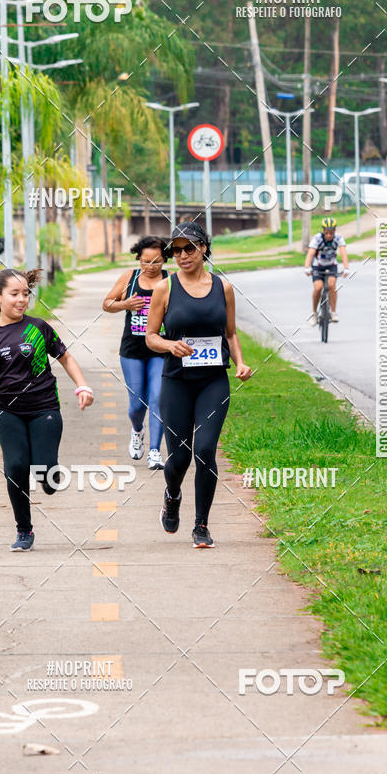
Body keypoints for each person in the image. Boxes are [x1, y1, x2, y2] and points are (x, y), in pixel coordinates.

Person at [146, 222, 252, 549]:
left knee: (205, 450)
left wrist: (240, 362)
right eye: (176, 250)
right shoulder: (165, 288)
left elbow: (230, 333)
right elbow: (151, 337)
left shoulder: (224, 288)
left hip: (213, 381)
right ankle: (172, 494)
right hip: (176, 382)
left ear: (204, 248)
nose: (182, 255)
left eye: (189, 248)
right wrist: (169, 345)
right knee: (179, 457)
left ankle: (201, 525)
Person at [0, 269, 93, 551]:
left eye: (25, 293)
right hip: (7, 411)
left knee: (44, 471)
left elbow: (65, 357)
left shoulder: (38, 327)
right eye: (14, 294)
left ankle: (49, 474)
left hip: (44, 407)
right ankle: (24, 530)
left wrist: (83, 386)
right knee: (16, 467)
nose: (22, 299)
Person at [102, 237, 169, 469]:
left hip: (160, 349)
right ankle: (137, 430)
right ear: (138, 258)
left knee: (158, 398)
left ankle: (154, 452)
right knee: (137, 405)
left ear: (164, 260)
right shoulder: (129, 278)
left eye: (156, 261)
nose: (150, 266)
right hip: (132, 350)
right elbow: (106, 303)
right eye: (145, 261)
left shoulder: (171, 280)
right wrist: (125, 304)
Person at [304, 216, 349, 325]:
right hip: (318, 266)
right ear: (323, 231)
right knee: (318, 288)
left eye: (331, 233)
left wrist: (346, 268)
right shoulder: (317, 239)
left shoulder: (338, 238)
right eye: (327, 233)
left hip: (331, 265)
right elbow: (310, 253)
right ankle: (314, 313)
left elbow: (343, 253)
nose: (329, 235)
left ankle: (333, 312)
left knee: (332, 285)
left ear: (335, 231)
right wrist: (307, 267)